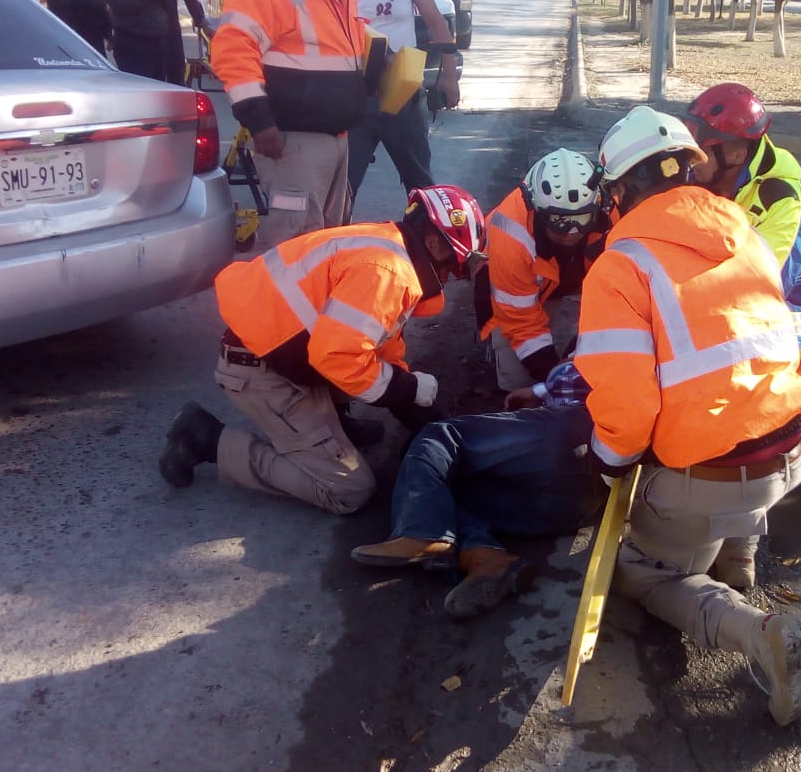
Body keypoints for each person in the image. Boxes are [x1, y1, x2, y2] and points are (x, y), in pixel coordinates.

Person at [575, 105, 801, 727]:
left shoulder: (621, 267)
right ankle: (737, 563)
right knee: (734, 441)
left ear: (621, 191)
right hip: (794, 449)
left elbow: (629, 409)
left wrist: (606, 470)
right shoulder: (744, 229)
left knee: (640, 571)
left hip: (712, 477)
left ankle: (755, 631)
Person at [158, 185, 486, 515]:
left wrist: (423, 416)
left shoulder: (387, 246)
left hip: (281, 352)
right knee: (348, 491)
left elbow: (379, 348)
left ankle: (334, 425)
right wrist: (410, 388)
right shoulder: (388, 274)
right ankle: (205, 437)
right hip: (260, 372)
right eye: (453, 269)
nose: (449, 279)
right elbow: (339, 358)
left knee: (368, 369)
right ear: (434, 244)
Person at [351, 361, 607, 617]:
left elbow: (586, 372)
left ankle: (421, 531)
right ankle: (486, 558)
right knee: (441, 493)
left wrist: (541, 390)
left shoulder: (603, 341)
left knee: (439, 436)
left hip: (576, 428)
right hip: (577, 504)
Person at [210, 0, 372, 243]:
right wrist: (258, 118)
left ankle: (318, 302)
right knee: (294, 247)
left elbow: (338, 50)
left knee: (329, 242)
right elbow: (233, 49)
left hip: (337, 138)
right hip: (291, 140)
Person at [683, 83, 801, 354]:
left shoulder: (783, 204)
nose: (692, 160)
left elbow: (761, 287)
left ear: (737, 154)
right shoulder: (709, 179)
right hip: (741, 290)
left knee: (706, 336)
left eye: (703, 151)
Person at [478, 148, 608, 390]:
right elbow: (520, 320)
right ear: (537, 211)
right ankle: (490, 345)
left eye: (582, 220)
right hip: (510, 281)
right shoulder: (510, 238)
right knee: (516, 380)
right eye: (559, 221)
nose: (572, 232)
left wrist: (580, 349)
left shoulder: (612, 213)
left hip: (564, 273)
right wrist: (553, 378)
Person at [346, 0, 459, 202]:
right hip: (356, 97)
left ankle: (428, 239)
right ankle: (337, 242)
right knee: (343, 189)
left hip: (403, 94)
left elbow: (435, 21)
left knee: (421, 186)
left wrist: (449, 75)